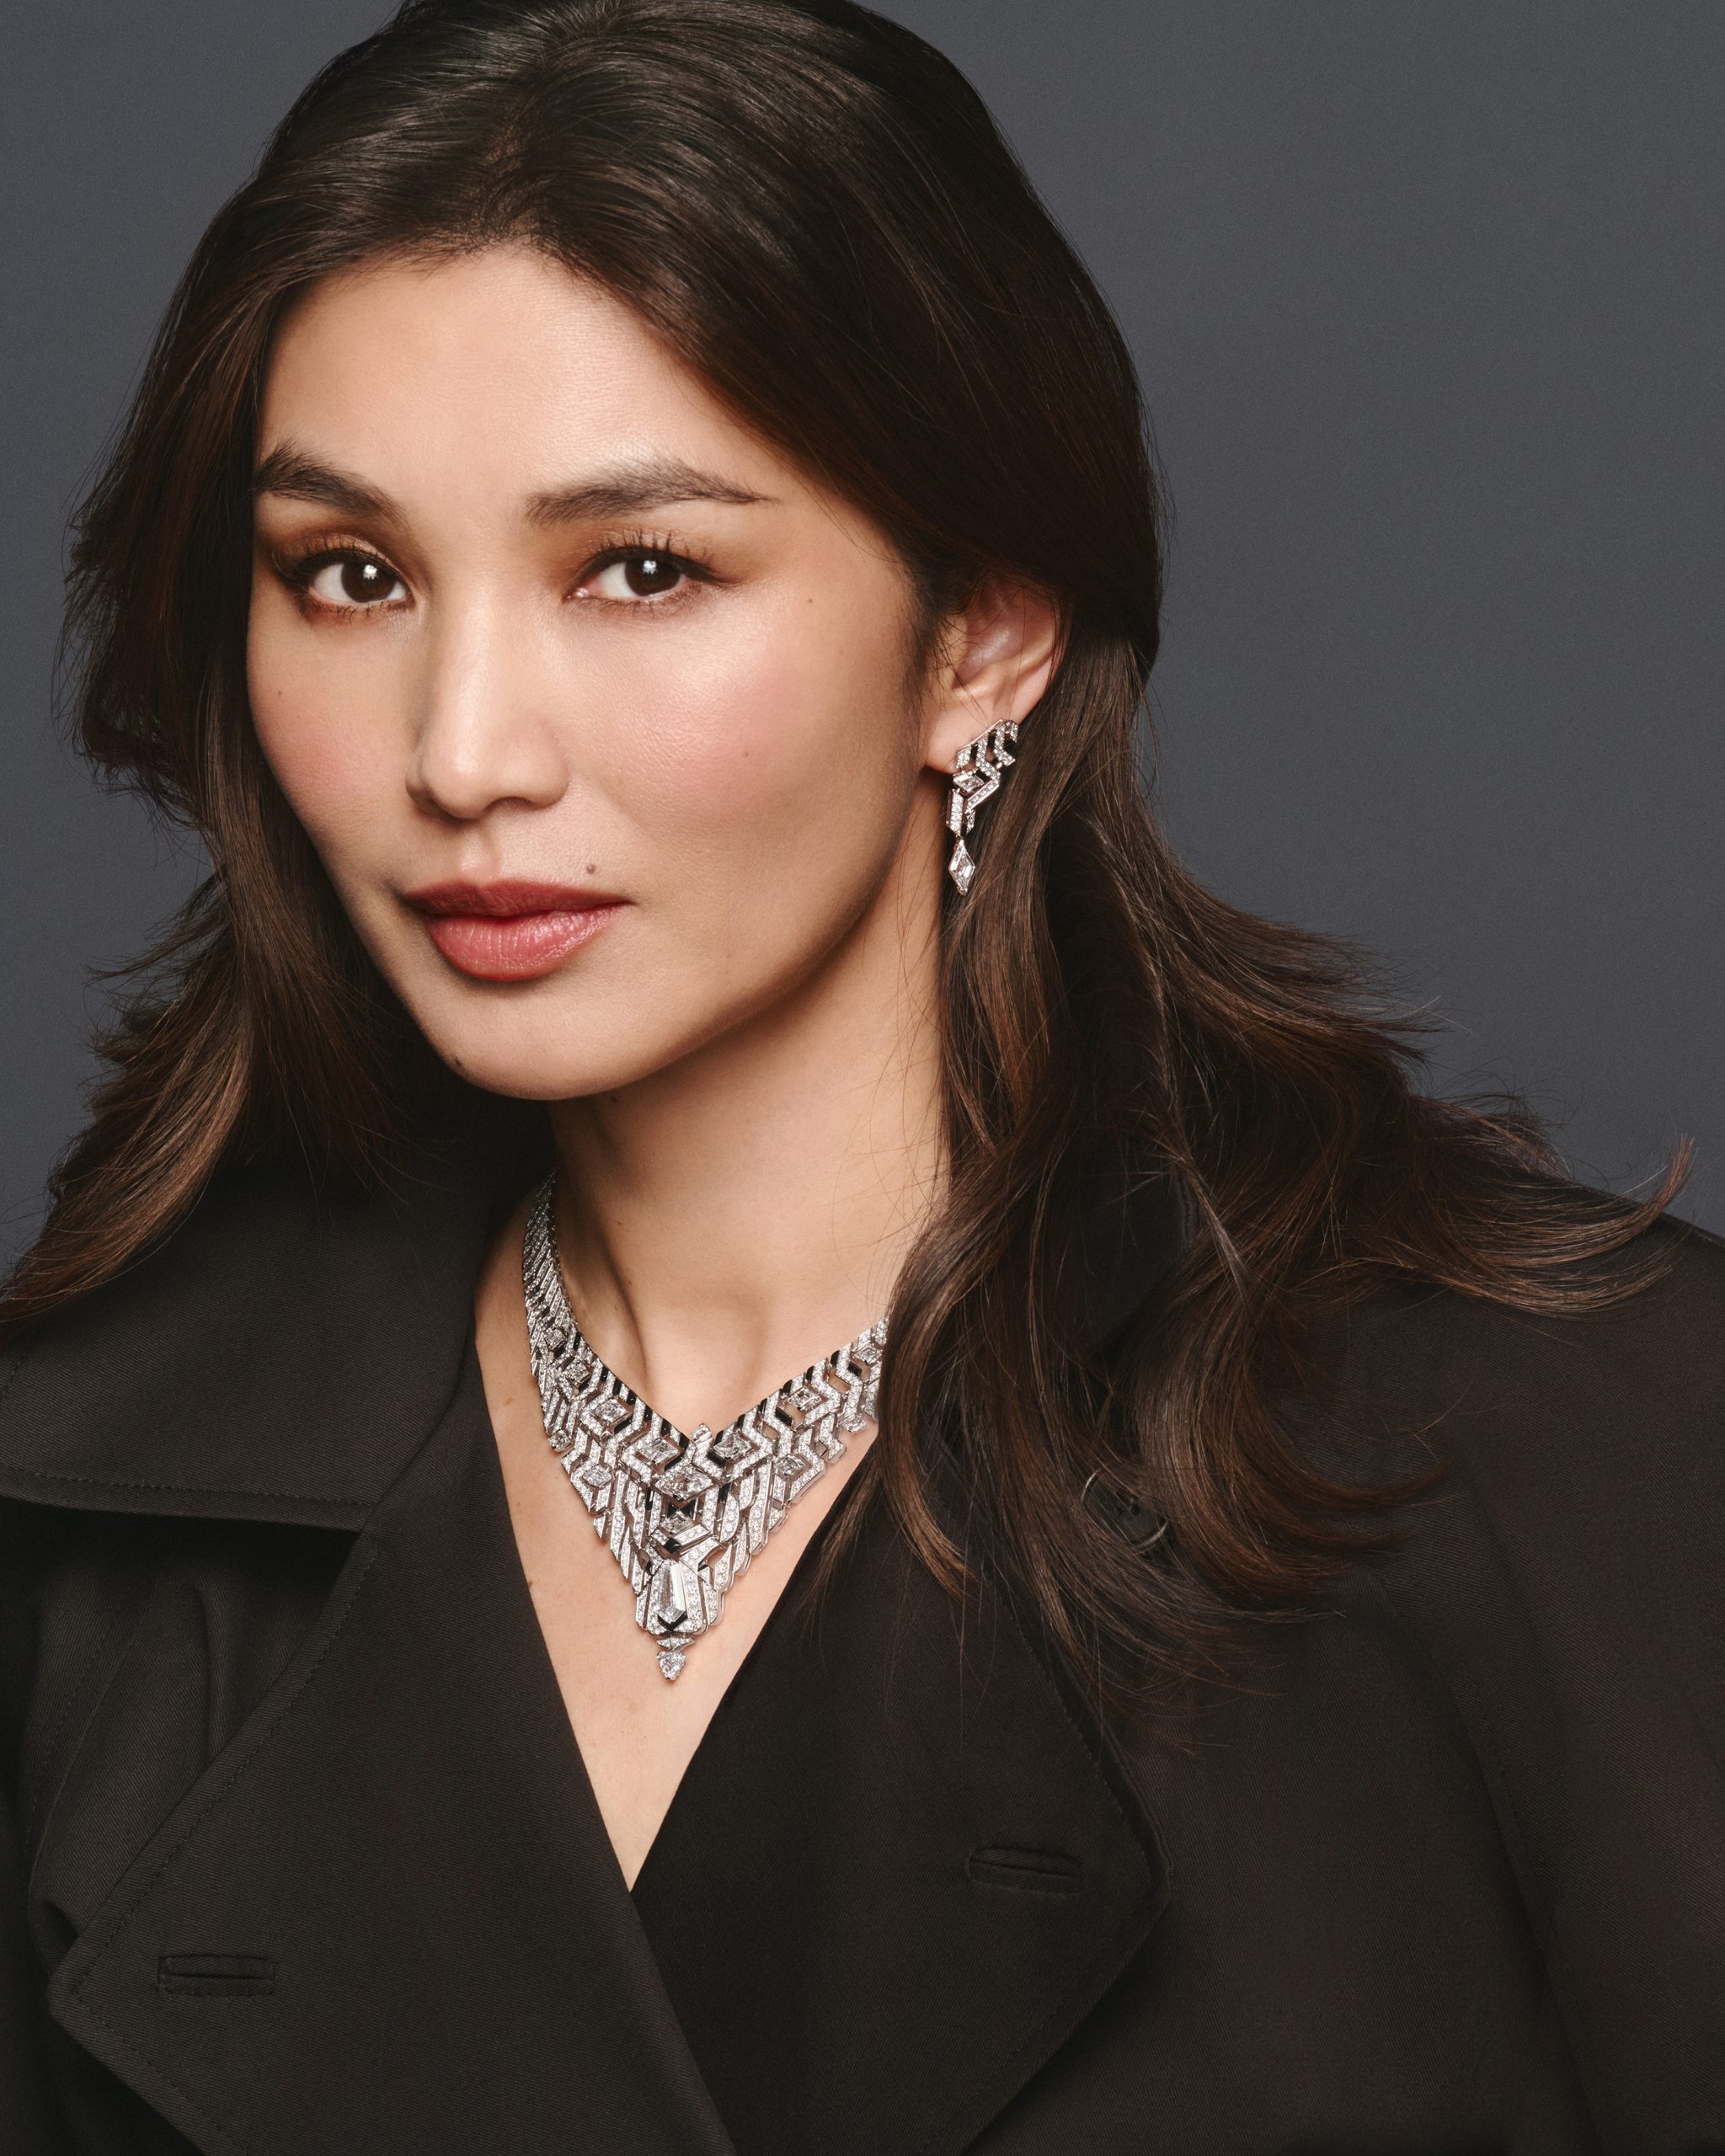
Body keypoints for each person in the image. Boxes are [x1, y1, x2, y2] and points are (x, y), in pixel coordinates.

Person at [3, 1, 1720, 2148]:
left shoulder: (1554, 1440)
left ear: (979, 630)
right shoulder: (89, 1519)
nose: (461, 751)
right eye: (349, 577)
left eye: (641, 568)